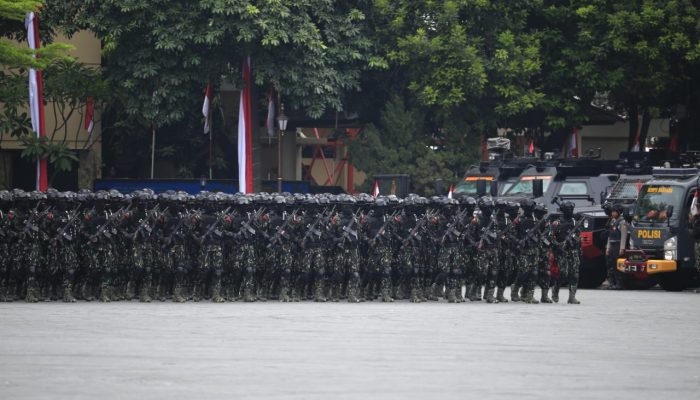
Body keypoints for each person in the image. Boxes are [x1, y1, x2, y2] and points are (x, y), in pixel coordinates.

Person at [605, 204, 627, 290]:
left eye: (614, 212)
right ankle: (613, 283)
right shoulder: (612, 221)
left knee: (618, 265)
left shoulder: (622, 222)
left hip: (618, 245)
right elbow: (610, 236)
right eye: (612, 212)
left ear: (618, 212)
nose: (613, 213)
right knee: (612, 264)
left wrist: (622, 248)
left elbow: (623, 236)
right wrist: (607, 248)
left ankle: (619, 283)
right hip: (612, 245)